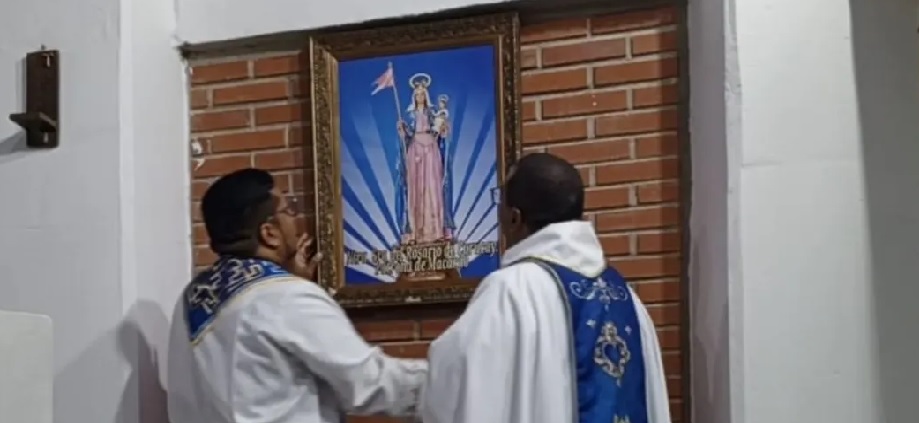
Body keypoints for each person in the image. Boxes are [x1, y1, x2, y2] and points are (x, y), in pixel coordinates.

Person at [419, 153, 672, 423]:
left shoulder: (510, 290)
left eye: (500, 203)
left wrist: (403, 384)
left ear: (514, 218)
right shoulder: (625, 297)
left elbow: (454, 382)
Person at [166, 168, 427, 423]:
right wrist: (445, 377)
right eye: (288, 210)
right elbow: (370, 384)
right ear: (269, 233)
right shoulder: (287, 297)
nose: (295, 218)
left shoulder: (190, 298)